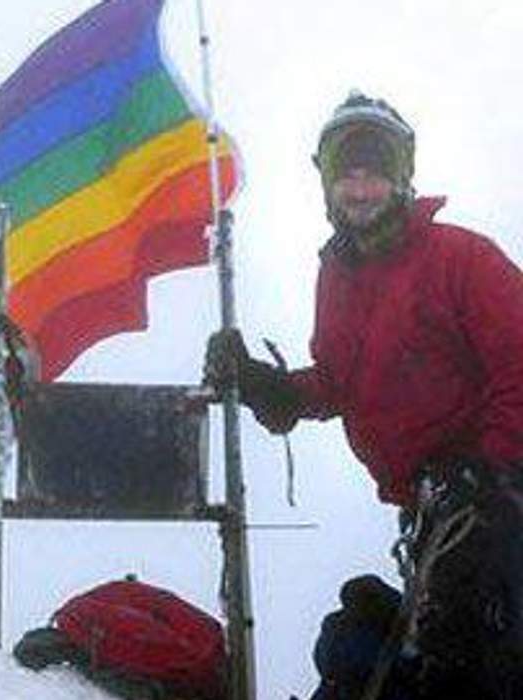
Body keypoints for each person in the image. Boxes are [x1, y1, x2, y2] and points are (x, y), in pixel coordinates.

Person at [205, 91, 523, 699]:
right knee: (414, 661)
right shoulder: (339, 275)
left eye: (375, 173)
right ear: (326, 183)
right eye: (346, 174)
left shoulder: (460, 257)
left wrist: (486, 470)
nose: (360, 189)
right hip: (438, 514)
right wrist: (271, 389)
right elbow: (339, 380)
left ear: (401, 178)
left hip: (501, 503)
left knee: (482, 669)